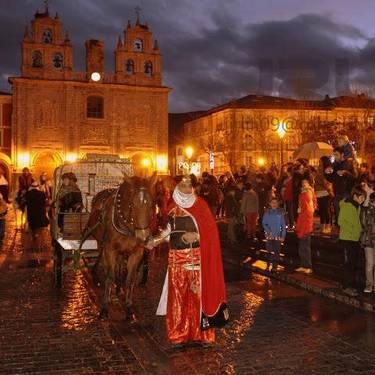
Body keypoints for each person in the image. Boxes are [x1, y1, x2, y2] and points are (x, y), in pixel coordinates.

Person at [146, 175, 228, 347]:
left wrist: (197, 235)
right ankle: (178, 334)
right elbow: (169, 232)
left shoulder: (201, 206)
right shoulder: (172, 207)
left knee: (198, 296)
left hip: (197, 259)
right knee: (178, 298)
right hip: (177, 260)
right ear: (177, 187)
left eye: (189, 185)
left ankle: (203, 334)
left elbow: (210, 232)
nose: (186, 188)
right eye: (183, 185)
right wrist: (156, 241)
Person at [338, 185, 366, 297]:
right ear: (355, 196)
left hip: (355, 238)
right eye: (362, 197)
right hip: (346, 238)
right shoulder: (347, 206)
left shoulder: (356, 206)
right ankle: (346, 286)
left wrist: (358, 230)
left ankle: (350, 285)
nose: (363, 200)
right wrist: (355, 229)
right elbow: (340, 221)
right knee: (348, 263)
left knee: (353, 263)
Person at [325, 146, 356, 226]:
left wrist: (345, 173)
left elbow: (355, 178)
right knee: (338, 214)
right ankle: (340, 231)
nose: (335, 157)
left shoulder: (349, 163)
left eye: (336, 155)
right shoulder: (335, 165)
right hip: (337, 192)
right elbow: (331, 179)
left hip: (347, 193)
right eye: (334, 155)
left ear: (342, 154)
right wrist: (327, 173)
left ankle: (347, 232)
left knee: (346, 214)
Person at [295, 179, 316, 274]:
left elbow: (307, 215)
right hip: (303, 225)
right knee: (302, 247)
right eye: (302, 183)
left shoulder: (307, 196)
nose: (303, 185)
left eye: (305, 183)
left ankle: (308, 265)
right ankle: (304, 265)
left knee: (305, 247)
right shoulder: (304, 196)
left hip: (306, 227)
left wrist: (303, 230)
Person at [262, 197, 286, 272]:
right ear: (270, 204)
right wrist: (269, 231)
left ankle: (274, 267)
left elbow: (283, 225)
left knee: (277, 251)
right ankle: (268, 264)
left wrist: (283, 236)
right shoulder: (267, 213)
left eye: (276, 203)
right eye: (272, 202)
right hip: (269, 236)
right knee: (269, 250)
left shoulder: (280, 214)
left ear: (278, 204)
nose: (274, 204)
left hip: (277, 236)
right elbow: (264, 224)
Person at [25, 181, 49, 251]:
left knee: (33, 230)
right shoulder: (42, 194)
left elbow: (25, 202)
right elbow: (45, 202)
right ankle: (39, 247)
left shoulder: (28, 194)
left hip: (31, 216)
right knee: (40, 232)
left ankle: (34, 245)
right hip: (40, 215)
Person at [360, 193, 375, 293]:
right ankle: (369, 284)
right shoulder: (365, 211)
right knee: (370, 263)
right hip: (369, 240)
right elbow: (364, 224)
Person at [315, 156, 333, 234]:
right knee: (321, 210)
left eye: (320, 161)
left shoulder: (328, 169)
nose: (319, 162)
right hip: (319, 192)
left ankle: (328, 226)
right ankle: (323, 226)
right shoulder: (318, 169)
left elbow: (328, 182)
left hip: (325, 192)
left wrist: (320, 181)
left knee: (326, 209)